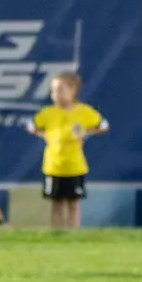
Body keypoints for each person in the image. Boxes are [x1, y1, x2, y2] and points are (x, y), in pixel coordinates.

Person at [29, 72, 108, 229]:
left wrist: (86, 134)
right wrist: (43, 135)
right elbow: (30, 125)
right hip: (54, 167)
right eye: (53, 91)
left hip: (74, 167)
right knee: (56, 204)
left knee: (73, 204)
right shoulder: (48, 113)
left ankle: (73, 235)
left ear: (73, 90)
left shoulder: (84, 112)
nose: (55, 94)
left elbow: (103, 125)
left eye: (60, 90)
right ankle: (57, 236)